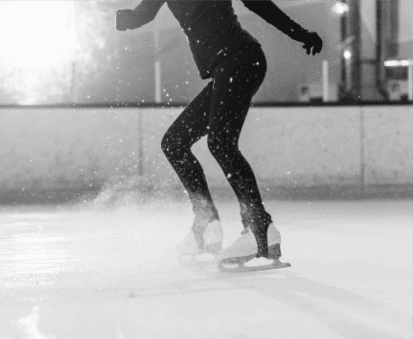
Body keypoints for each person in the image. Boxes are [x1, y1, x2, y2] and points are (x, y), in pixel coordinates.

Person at [116, 0, 323, 269]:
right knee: (174, 143)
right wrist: (120, 19)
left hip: (241, 59)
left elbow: (257, 3)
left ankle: (258, 228)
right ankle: (205, 222)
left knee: (221, 143)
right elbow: (140, 16)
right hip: (226, 68)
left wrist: (300, 33)